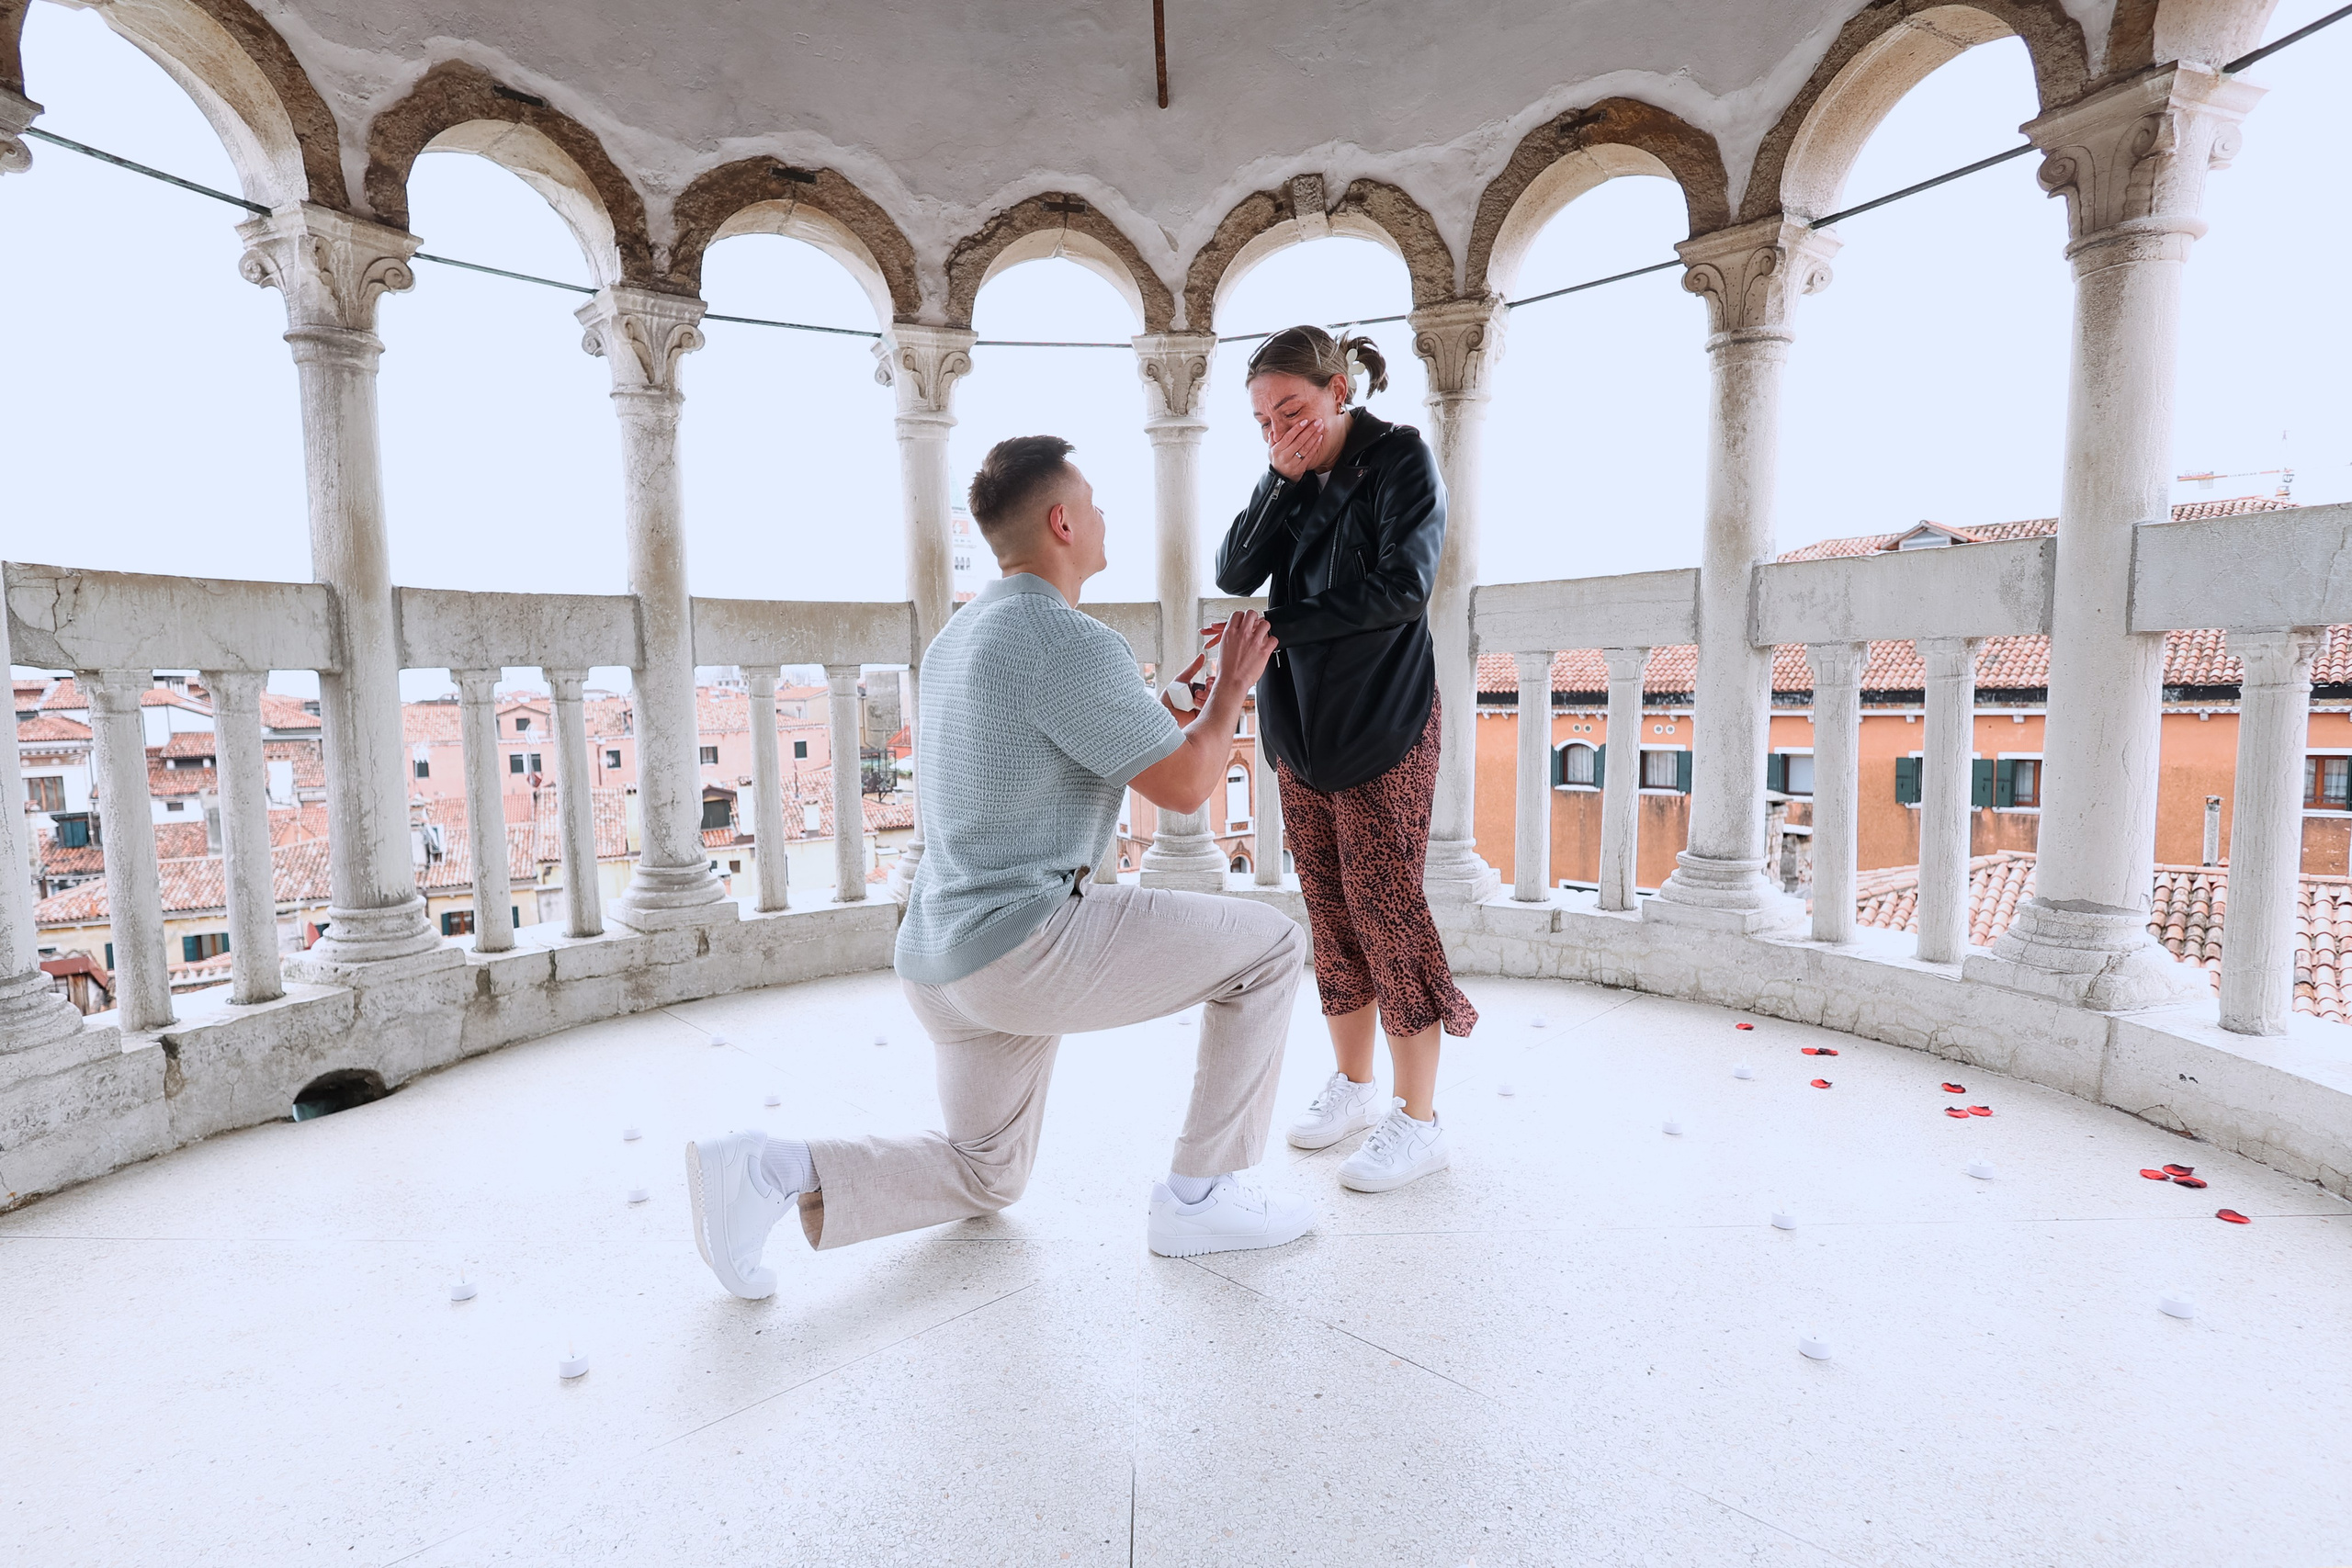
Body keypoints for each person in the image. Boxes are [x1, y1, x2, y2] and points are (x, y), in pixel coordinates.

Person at [684, 434, 1315, 1300]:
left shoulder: (960, 636)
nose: (1103, 514)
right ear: (1061, 520)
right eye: (1091, 500)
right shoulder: (1069, 640)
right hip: (1026, 949)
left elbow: (1049, 748)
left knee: (990, 1173)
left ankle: (767, 1170)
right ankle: (1201, 1196)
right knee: (1273, 946)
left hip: (940, 959)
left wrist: (1176, 701)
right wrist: (1233, 688)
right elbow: (1188, 786)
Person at [1214, 324, 1477, 1194]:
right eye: (1261, 420)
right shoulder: (1289, 477)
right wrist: (1277, 483)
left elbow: (1404, 586)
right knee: (1328, 908)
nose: (1279, 428)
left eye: (1292, 408)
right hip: (1299, 724)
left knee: (1386, 907)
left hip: (1382, 718)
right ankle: (1356, 1089)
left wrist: (1285, 626)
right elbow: (1236, 566)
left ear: (1339, 389)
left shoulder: (1400, 459)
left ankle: (1421, 1118)